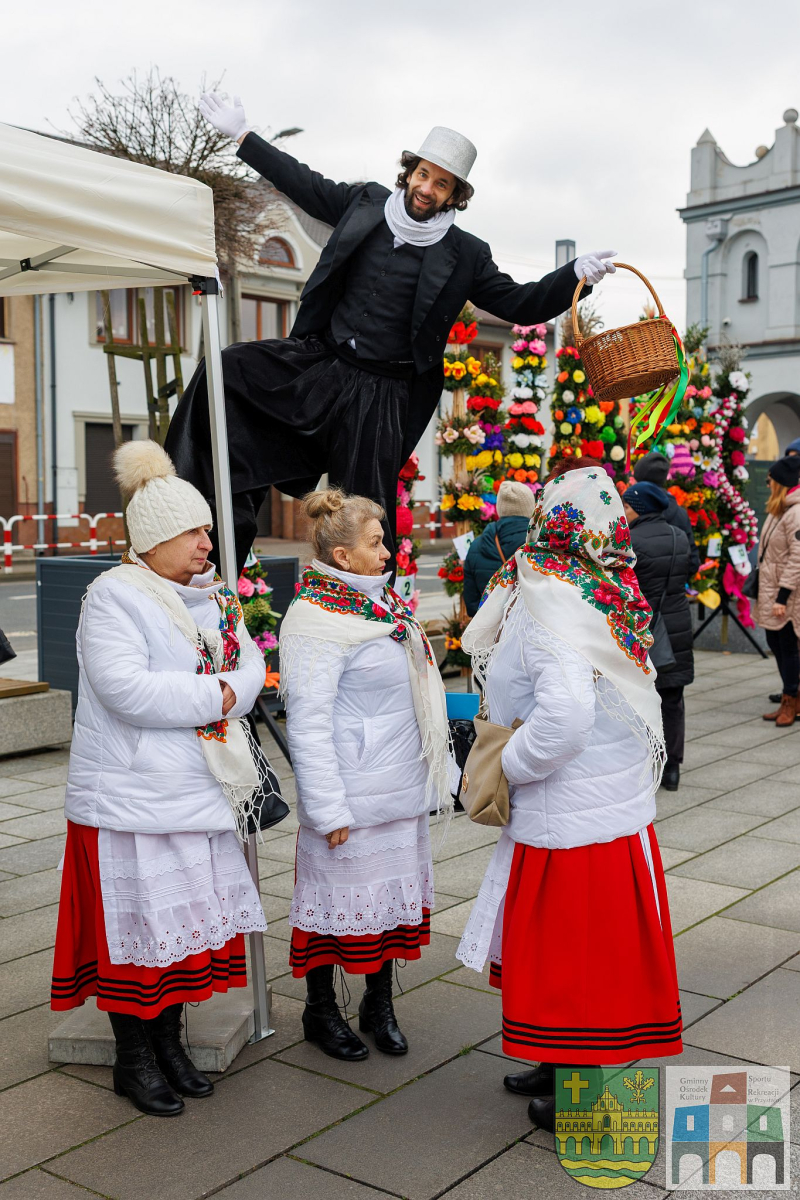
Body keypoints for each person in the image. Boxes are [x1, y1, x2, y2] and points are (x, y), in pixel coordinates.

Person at [165, 91, 618, 573]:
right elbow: (302, 182)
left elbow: (519, 303)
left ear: (454, 195)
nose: (427, 188)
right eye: (423, 174)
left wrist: (574, 276)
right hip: (324, 364)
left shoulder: (466, 253)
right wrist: (244, 136)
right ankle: (187, 516)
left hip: (382, 393)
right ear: (409, 172)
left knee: (366, 513)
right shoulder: (365, 203)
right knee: (227, 370)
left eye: (441, 184)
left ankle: (368, 603)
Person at [456, 463, 682, 1132]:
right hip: (601, 803)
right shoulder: (598, 584)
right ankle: (558, 1060)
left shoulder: (552, 596)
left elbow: (566, 718)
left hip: (573, 810)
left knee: (573, 956)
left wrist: (507, 767)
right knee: (575, 951)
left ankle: (579, 1083)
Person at [51, 441, 270, 1117]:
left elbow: (253, 666)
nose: (208, 543)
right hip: (133, 797)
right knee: (137, 934)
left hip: (196, 791)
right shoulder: (114, 596)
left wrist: (232, 687)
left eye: (207, 530)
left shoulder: (215, 596)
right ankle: (134, 1057)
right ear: (153, 540)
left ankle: (169, 1042)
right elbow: (127, 690)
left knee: (181, 930)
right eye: (194, 532)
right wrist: (221, 695)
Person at [278, 488, 454, 1061]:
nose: (386, 554)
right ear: (342, 556)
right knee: (334, 910)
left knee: (389, 908)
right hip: (352, 796)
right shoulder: (315, 618)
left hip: (398, 786)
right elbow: (307, 723)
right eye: (376, 544)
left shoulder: (382, 604)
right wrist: (326, 808)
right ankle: (320, 1010)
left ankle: (379, 1005)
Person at [622, 480, 694, 792]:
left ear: (640, 508)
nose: (623, 511)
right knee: (673, 697)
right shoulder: (679, 536)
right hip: (677, 625)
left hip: (642, 627)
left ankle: (646, 761)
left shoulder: (630, 541)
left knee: (638, 696)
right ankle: (673, 767)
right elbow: (689, 571)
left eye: (627, 505)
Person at [755, 455, 800, 727]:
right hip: (772, 588)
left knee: (787, 646)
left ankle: (790, 701)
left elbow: (797, 558)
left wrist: (782, 597)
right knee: (776, 643)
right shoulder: (780, 510)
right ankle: (792, 696)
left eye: (770, 480)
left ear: (781, 483)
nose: (767, 484)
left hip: (787, 594)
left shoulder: (795, 513)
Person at [463, 481, 536, 616]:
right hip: (529, 625)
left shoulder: (476, 546)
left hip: (491, 625)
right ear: (531, 507)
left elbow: (472, 605)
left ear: (499, 508)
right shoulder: (539, 542)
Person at [633, 450, 700, 578]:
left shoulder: (633, 511)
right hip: (675, 589)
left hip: (641, 588)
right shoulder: (680, 513)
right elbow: (693, 562)